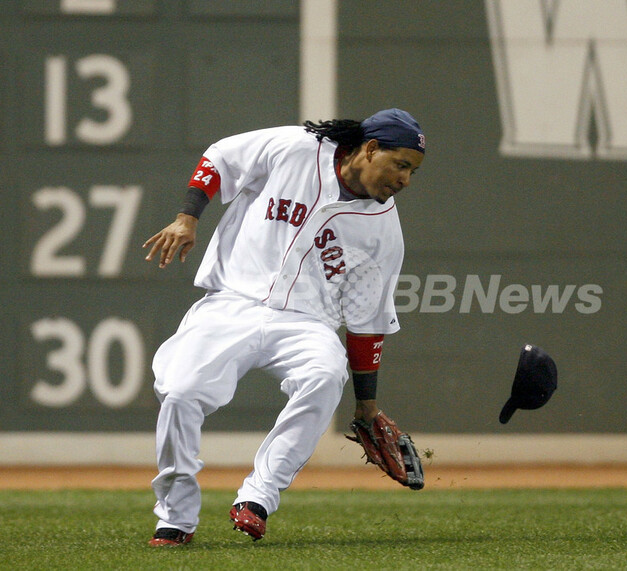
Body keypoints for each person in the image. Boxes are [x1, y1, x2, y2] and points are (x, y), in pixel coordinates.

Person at [142, 108, 426, 547]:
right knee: (179, 392)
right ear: (371, 149)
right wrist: (188, 216)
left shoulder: (384, 231)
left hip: (307, 322)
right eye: (401, 164)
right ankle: (176, 517)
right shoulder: (297, 148)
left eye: (412, 171)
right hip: (232, 302)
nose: (405, 179)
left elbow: (367, 323)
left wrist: (366, 406)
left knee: (325, 375)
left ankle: (258, 497)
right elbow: (219, 158)